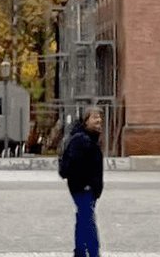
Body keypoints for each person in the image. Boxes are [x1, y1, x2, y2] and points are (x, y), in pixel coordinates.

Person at [60, 107, 104, 257]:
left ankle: (79, 251)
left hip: (86, 187)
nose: (99, 120)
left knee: (82, 218)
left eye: (99, 117)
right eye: (95, 117)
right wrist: (86, 184)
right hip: (83, 188)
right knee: (88, 220)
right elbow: (74, 164)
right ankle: (93, 253)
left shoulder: (89, 137)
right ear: (86, 121)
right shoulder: (81, 140)